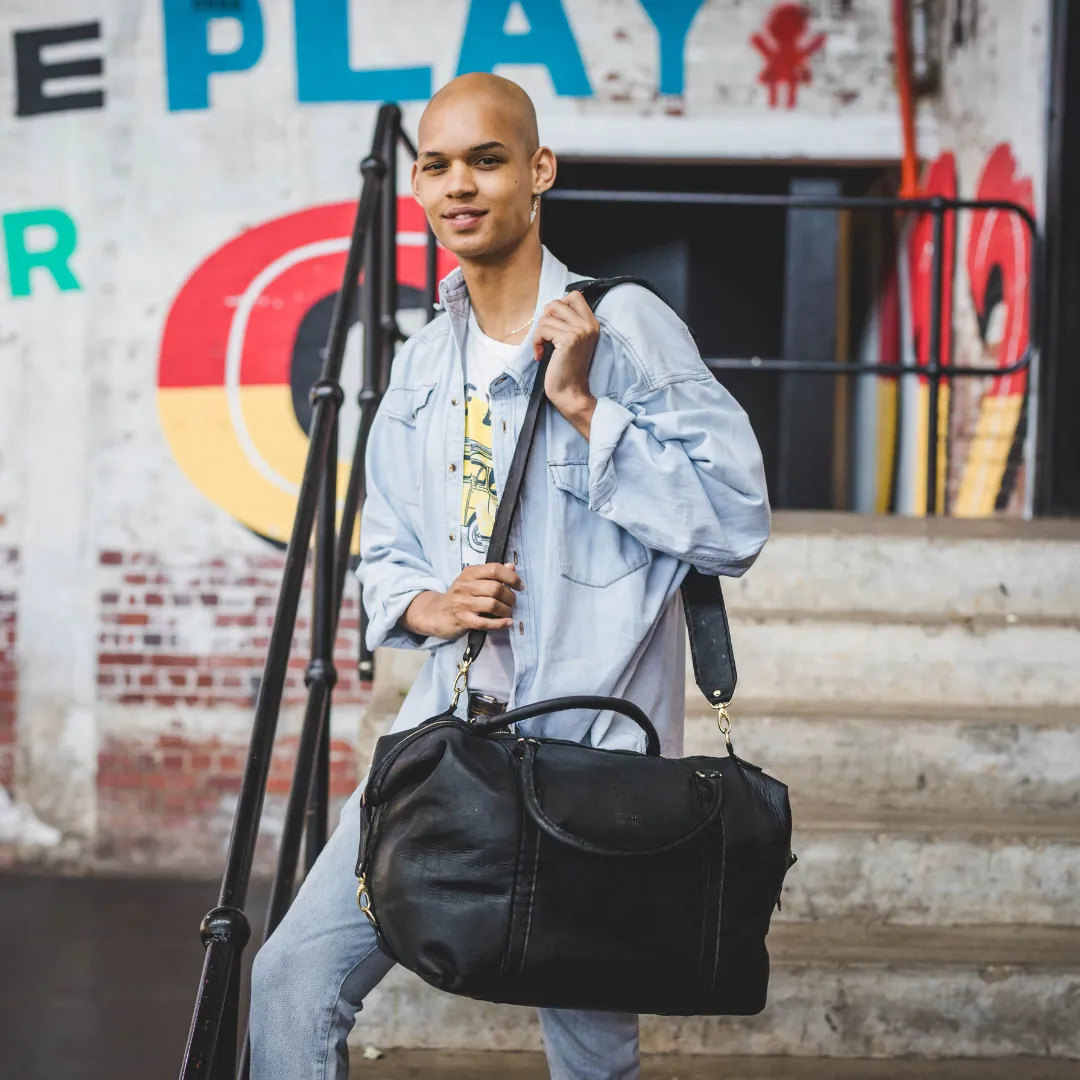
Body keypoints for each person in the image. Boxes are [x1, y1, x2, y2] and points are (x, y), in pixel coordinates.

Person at [250, 72, 770, 1080]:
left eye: (486, 159)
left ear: (538, 173)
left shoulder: (626, 328)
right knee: (289, 980)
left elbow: (738, 519)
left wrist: (584, 408)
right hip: (442, 746)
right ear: (417, 184)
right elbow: (387, 543)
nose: (460, 184)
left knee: (589, 1052)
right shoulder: (421, 359)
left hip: (588, 757)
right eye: (437, 164)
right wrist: (427, 604)